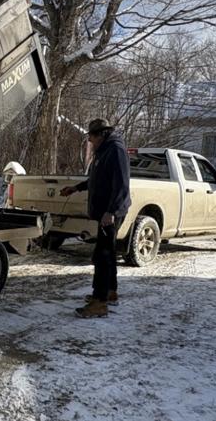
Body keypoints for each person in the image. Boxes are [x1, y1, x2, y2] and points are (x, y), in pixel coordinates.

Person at [59, 118, 131, 318]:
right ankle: (110, 292)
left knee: (102, 255)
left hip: (111, 213)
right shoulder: (105, 151)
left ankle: (99, 302)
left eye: (91, 137)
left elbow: (122, 184)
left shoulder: (115, 150)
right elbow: (96, 180)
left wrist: (111, 212)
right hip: (106, 212)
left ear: (101, 134)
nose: (90, 140)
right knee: (108, 252)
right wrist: (76, 188)